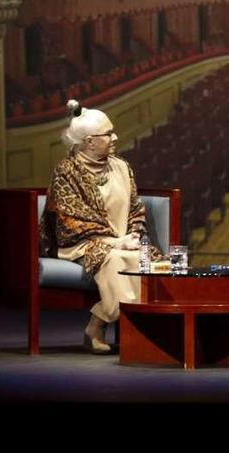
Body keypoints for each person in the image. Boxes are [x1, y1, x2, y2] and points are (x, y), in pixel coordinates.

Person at [39, 99, 150, 354]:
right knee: (114, 260)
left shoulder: (122, 167)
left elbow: (136, 207)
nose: (115, 137)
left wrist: (133, 233)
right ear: (89, 141)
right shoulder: (66, 172)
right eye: (108, 133)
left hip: (123, 241)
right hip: (79, 244)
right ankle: (104, 326)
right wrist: (115, 242)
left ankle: (106, 324)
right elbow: (71, 220)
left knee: (147, 258)